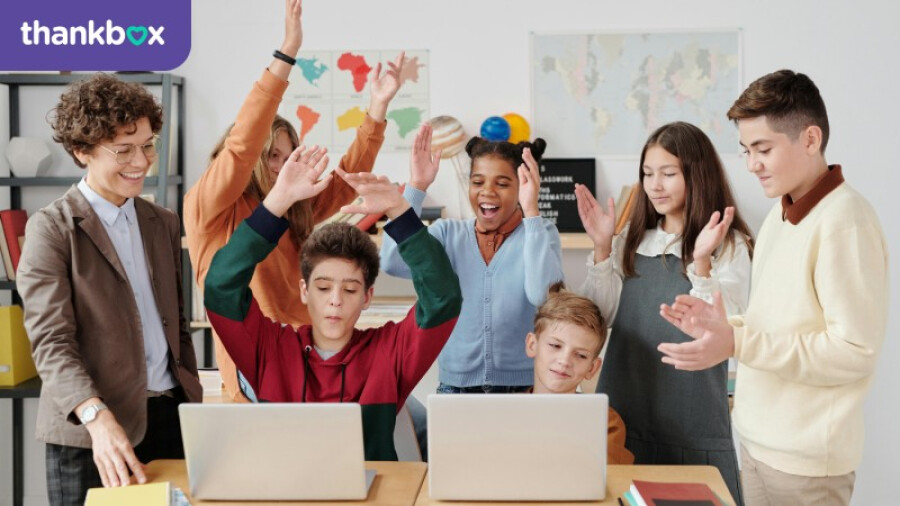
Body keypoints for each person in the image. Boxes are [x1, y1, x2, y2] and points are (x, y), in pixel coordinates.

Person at [659, 70, 888, 506]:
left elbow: (854, 351)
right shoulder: (782, 216)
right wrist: (722, 327)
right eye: (746, 150)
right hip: (758, 444)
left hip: (805, 464)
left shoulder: (846, 222)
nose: (751, 165)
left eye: (763, 149)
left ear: (810, 138)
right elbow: (775, 322)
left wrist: (739, 340)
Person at [184, 0, 405, 402]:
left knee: (409, 422)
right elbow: (241, 145)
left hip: (311, 357)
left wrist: (377, 108)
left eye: (290, 157)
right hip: (261, 370)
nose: (284, 167)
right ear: (254, 160)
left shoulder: (292, 206)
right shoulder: (212, 206)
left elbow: (343, 183)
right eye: (273, 156)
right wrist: (287, 53)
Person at [202, 144, 462, 460]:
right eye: (323, 288)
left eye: (350, 290)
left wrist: (400, 211)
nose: (335, 301)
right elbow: (220, 286)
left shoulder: (388, 353)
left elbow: (443, 298)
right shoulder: (271, 350)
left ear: (367, 297)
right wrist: (277, 203)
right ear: (304, 291)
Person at [17, 74, 202, 505]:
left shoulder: (162, 222)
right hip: (92, 432)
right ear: (82, 151)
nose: (142, 161)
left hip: (168, 420)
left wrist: (190, 396)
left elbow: (174, 325)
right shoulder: (51, 228)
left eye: (148, 144)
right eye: (124, 149)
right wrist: (97, 417)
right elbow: (51, 344)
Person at [576, 121, 754, 503]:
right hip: (622, 418)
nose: (655, 185)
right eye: (647, 173)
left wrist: (702, 260)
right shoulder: (631, 240)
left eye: (669, 174)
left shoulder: (731, 245)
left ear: (697, 173)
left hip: (693, 425)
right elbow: (598, 318)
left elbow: (726, 330)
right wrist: (603, 247)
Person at [380, 124, 564, 393]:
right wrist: (416, 187)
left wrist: (531, 209)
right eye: (477, 182)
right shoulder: (446, 234)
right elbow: (392, 261)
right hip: (455, 389)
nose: (487, 191)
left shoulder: (540, 232)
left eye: (502, 183)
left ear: (522, 187)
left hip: (523, 388)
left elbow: (542, 296)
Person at [524, 282, 634, 465]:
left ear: (592, 368)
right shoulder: (504, 413)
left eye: (581, 355)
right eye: (555, 346)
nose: (565, 360)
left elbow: (609, 481)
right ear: (532, 345)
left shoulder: (605, 421)